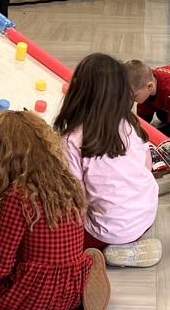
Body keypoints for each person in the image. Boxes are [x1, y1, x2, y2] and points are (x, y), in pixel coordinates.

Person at [0, 111, 111, 310]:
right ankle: (86, 269)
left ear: (1, 159)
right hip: (70, 289)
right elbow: (41, 245)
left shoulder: (19, 196)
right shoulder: (67, 182)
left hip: (36, 298)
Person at [55, 53, 162, 268]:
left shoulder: (72, 140)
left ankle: (108, 251)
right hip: (145, 216)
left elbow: (77, 199)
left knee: (50, 238)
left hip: (108, 230)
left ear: (78, 91)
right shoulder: (130, 123)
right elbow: (147, 168)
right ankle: (124, 243)